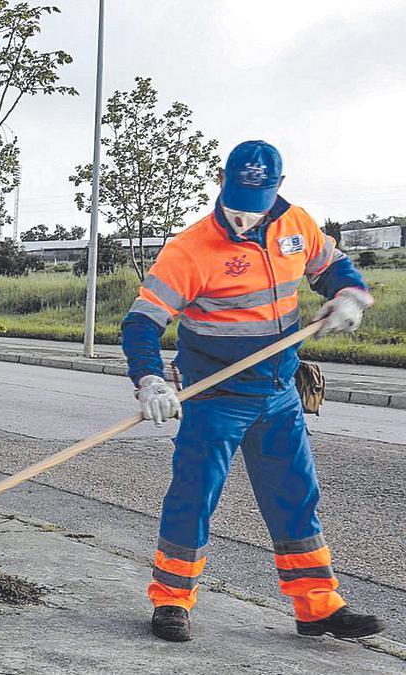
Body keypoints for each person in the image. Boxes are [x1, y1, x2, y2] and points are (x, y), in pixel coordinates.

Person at [121, 140, 385, 642]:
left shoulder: (297, 225)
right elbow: (141, 322)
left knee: (296, 499)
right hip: (214, 395)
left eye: (256, 205)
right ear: (222, 183)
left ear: (277, 190)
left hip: (278, 391)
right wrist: (150, 379)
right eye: (237, 203)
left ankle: (317, 608)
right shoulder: (190, 249)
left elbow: (332, 267)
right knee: (193, 498)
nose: (245, 218)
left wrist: (348, 295)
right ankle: (172, 600)